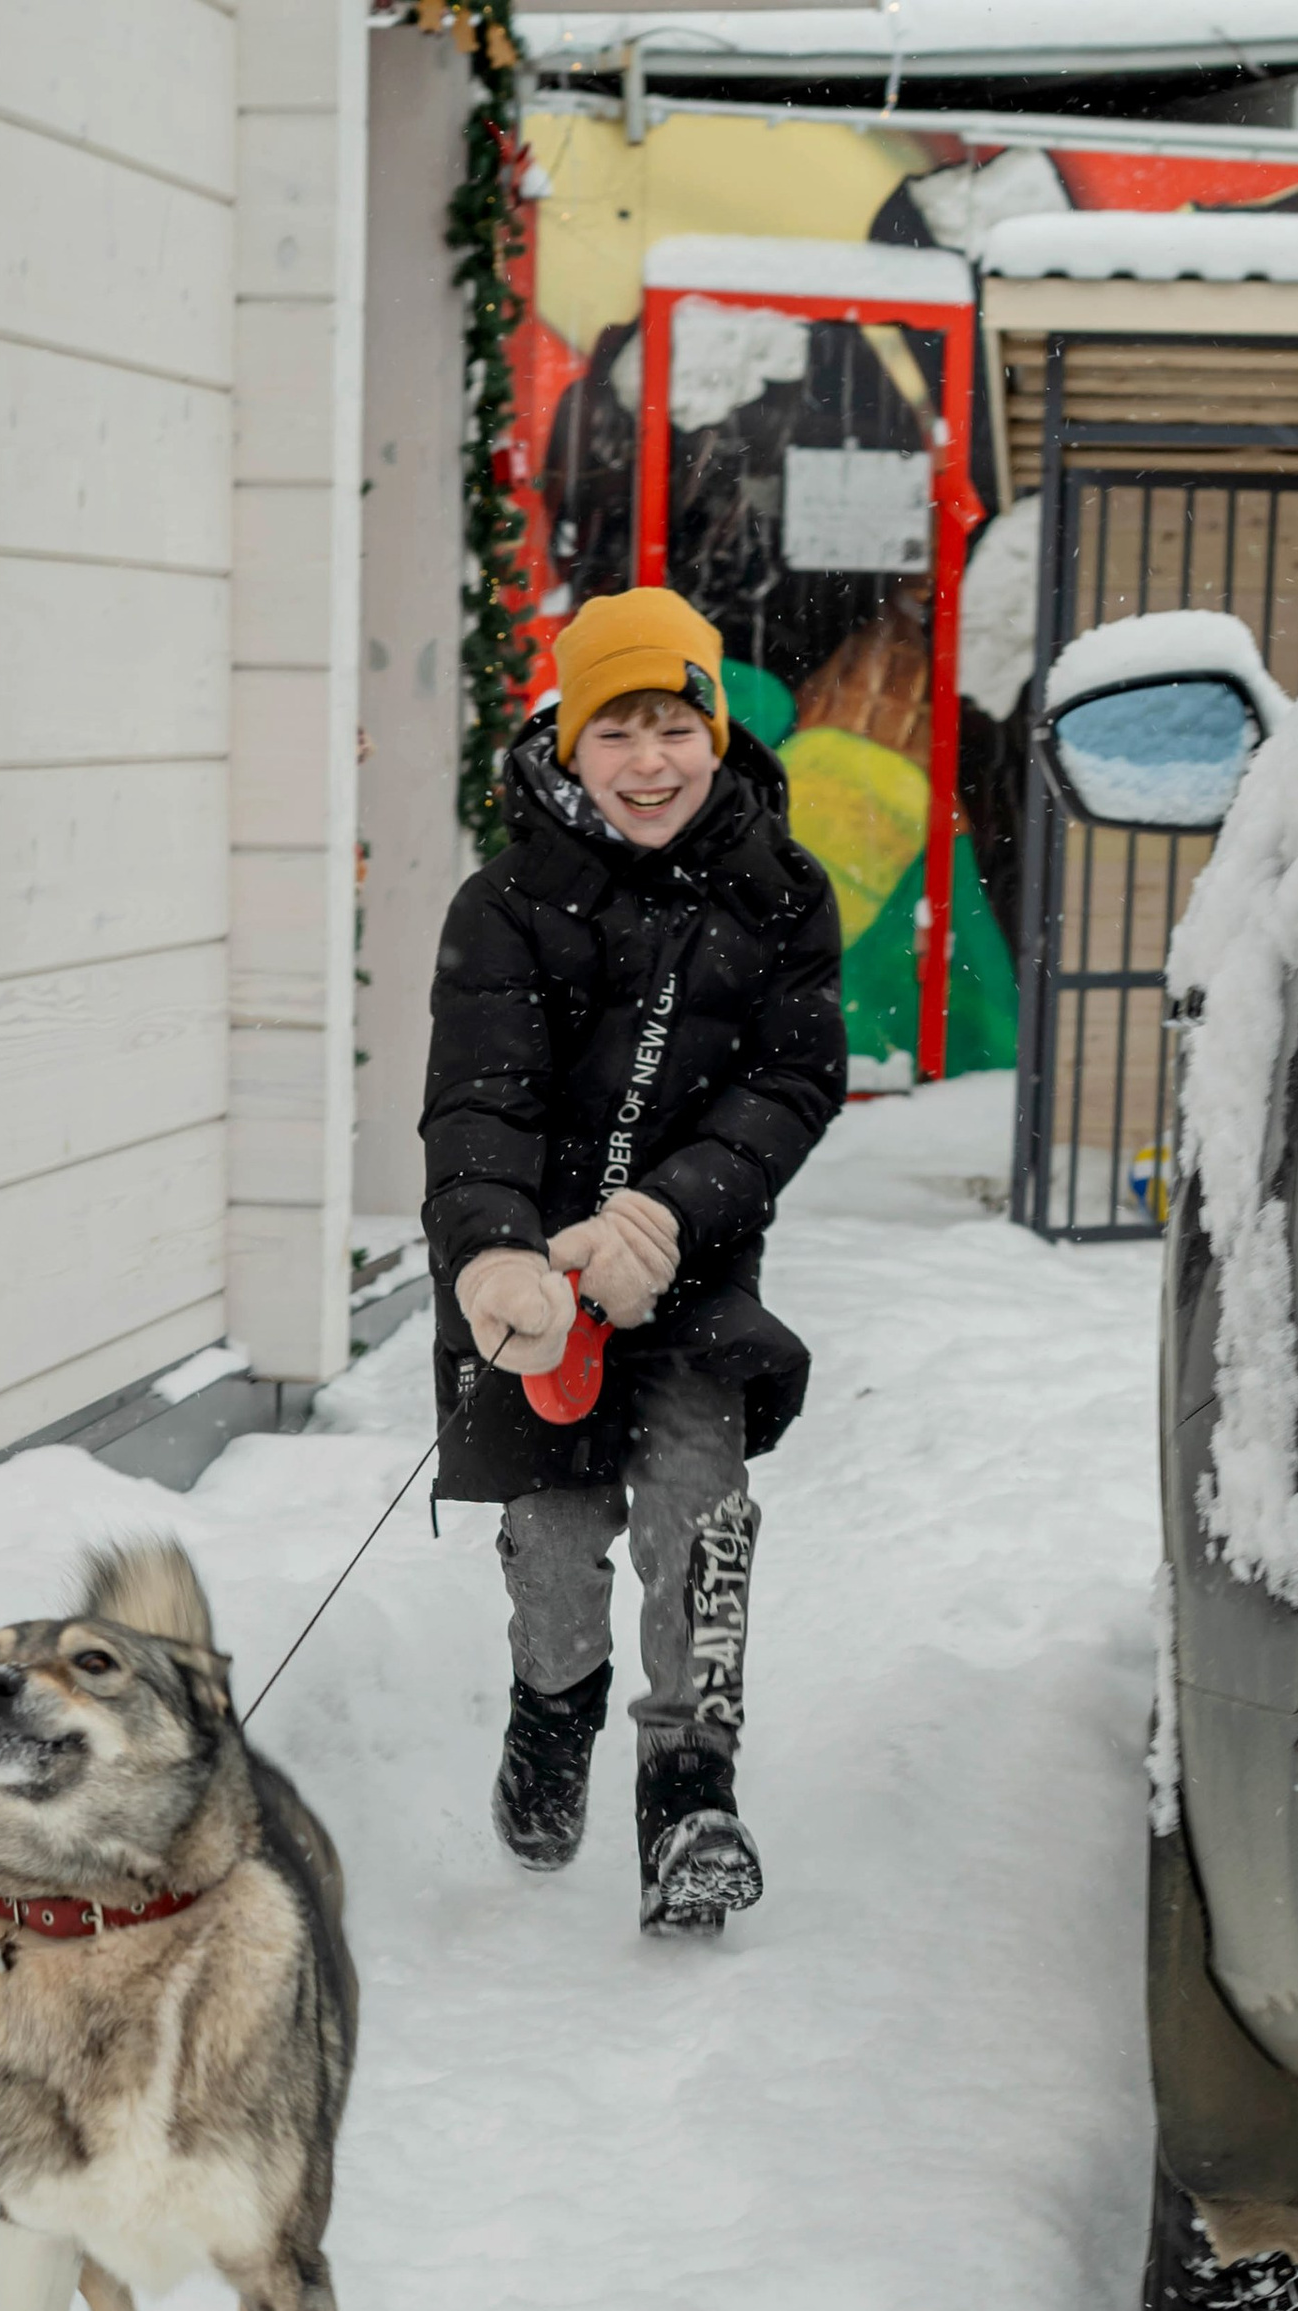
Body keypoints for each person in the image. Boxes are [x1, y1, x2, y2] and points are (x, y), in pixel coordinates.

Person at [421, 586, 847, 1931]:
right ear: (568, 737)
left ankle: (690, 1798)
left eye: (675, 725)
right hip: (537, 1294)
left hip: (694, 1283)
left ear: (715, 732)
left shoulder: (779, 894)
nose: (650, 760)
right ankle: (552, 1717)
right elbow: (477, 1108)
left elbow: (792, 1082)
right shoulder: (503, 905)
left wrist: (666, 1215)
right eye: (619, 729)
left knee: (700, 1529)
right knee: (556, 1553)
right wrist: (499, 1265)